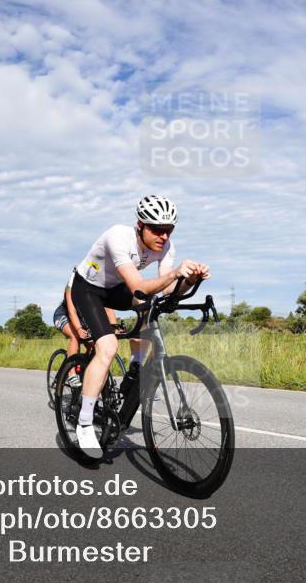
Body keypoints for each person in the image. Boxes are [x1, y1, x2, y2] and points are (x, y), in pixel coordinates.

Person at [70, 195, 210, 457]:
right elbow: (137, 286)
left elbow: (168, 288)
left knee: (152, 305)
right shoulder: (118, 237)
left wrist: (189, 280)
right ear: (139, 226)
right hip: (88, 289)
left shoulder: (165, 246)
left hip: (114, 289)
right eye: (157, 229)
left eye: (169, 230)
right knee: (108, 347)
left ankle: (136, 366)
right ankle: (85, 423)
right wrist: (174, 273)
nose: (164, 236)